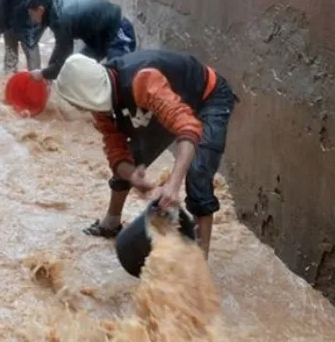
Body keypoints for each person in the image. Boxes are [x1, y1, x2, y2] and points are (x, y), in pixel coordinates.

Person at [49, 51, 237, 258]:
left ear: (86, 93)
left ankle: (200, 261)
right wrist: (131, 174)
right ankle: (111, 223)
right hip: (170, 102)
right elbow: (116, 152)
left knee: (198, 172)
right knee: (132, 156)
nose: (77, 108)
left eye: (76, 103)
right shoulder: (102, 107)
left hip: (208, 97)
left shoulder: (144, 81)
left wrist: (172, 185)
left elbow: (187, 128)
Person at [25, 0, 138, 81]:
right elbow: (60, 49)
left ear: (41, 9)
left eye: (31, 14)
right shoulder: (55, 15)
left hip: (118, 30)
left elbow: (63, 60)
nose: (32, 19)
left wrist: (43, 74)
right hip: (98, 40)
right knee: (76, 70)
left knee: (118, 77)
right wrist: (47, 72)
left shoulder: (60, 20)